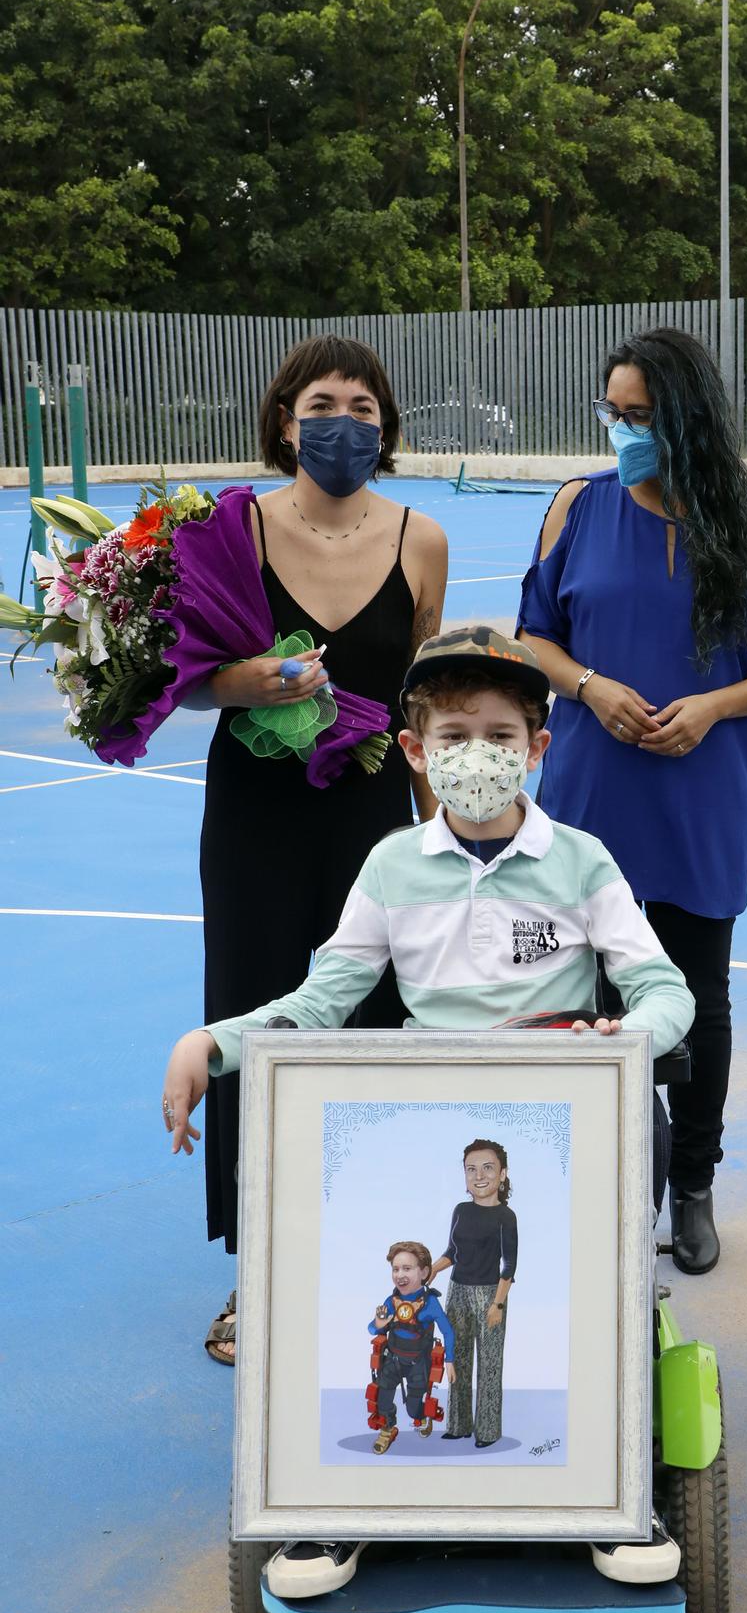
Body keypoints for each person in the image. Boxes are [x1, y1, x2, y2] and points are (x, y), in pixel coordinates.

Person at [162, 625, 694, 1596]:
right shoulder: (391, 869)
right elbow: (320, 1000)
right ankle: (329, 1503)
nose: (476, 753)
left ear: (539, 746)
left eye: (500, 733)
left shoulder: (581, 862)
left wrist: (632, 1036)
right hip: (432, 1113)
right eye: (453, 734)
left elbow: (662, 986)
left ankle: (616, 1483)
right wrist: (215, 1041)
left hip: (568, 1110)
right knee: (356, 1250)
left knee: (608, 1242)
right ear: (414, 749)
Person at [517, 327, 747, 1277]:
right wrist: (590, 687)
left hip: (700, 790)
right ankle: (605, 1186)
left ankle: (691, 1187)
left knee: (696, 998)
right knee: (585, 996)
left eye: (642, 416)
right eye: (613, 412)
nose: (622, 431)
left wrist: (713, 708)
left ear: (690, 418)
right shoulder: (576, 506)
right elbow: (534, 638)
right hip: (589, 789)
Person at [191, 333, 448, 1363]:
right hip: (255, 812)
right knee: (254, 1019)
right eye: (322, 400)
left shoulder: (420, 539)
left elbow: (422, 697)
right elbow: (188, 673)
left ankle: (368, 1253)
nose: (343, 419)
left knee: (377, 1024)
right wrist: (242, 684)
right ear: (285, 415)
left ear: (384, 426)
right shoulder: (231, 527)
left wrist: (445, 835)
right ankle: (253, 1272)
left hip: (371, 813)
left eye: (362, 404)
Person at [430, 1141, 518, 1449]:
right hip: (457, 1292)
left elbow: (509, 1266)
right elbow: (452, 1252)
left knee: (490, 1365)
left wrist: (498, 1303)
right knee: (458, 1359)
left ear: (502, 1174)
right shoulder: (461, 1211)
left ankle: (488, 1432)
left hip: (490, 1294)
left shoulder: (506, 1217)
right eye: (471, 1169)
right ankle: (458, 1425)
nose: (479, 1175)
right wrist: (433, 1270)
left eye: (488, 1167)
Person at [368, 1241, 457, 1454]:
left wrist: (450, 1360)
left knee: (413, 1409)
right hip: (393, 1359)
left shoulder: (430, 1303)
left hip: (418, 1362)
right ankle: (388, 1428)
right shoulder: (391, 1301)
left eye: (407, 1268)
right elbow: (373, 1328)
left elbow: (448, 1331)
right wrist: (378, 1325)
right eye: (395, 1269)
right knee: (382, 1397)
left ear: (424, 1272)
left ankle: (421, 1416)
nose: (400, 1275)